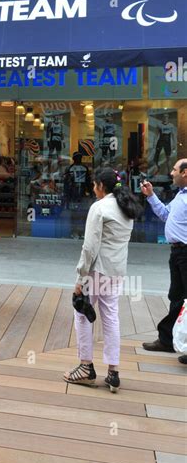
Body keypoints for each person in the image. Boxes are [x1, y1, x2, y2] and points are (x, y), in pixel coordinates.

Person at [64, 168, 142, 392]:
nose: (92, 187)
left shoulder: (99, 208)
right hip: (116, 270)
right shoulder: (127, 207)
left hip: (96, 270)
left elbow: (89, 247)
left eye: (94, 184)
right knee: (111, 318)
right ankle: (113, 372)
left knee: (82, 314)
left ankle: (85, 367)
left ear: (100, 185)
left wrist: (80, 278)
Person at [141, 159, 187, 363]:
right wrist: (151, 196)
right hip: (178, 253)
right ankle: (167, 340)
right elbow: (166, 215)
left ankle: (169, 337)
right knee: (176, 296)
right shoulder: (181, 195)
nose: (171, 173)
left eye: (175, 170)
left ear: (185, 173)